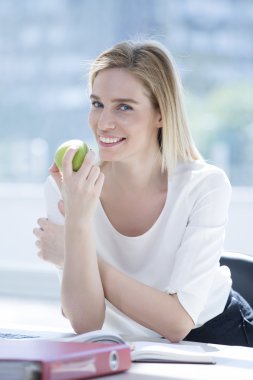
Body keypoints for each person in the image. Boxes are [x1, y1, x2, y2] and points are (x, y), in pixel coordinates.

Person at [33, 39, 253, 346]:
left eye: (124, 106)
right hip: (125, 342)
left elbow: (177, 323)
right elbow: (86, 323)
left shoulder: (205, 186)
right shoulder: (68, 186)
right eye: (97, 104)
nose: (104, 123)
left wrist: (73, 253)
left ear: (160, 114)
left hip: (216, 334)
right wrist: (78, 221)